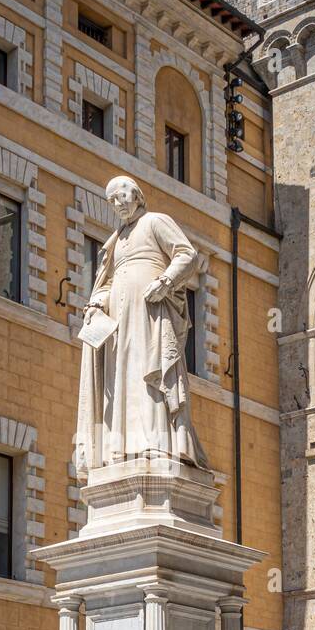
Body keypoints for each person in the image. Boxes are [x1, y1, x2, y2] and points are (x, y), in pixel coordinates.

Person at [75, 175, 209, 481]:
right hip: (121, 324)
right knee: (124, 379)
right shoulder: (116, 240)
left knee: (151, 374)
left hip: (150, 314)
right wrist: (96, 304)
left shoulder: (155, 222)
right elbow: (105, 282)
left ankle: (157, 442)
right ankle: (124, 446)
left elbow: (187, 255)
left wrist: (165, 282)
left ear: (136, 194)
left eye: (121, 195)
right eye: (111, 200)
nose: (117, 203)